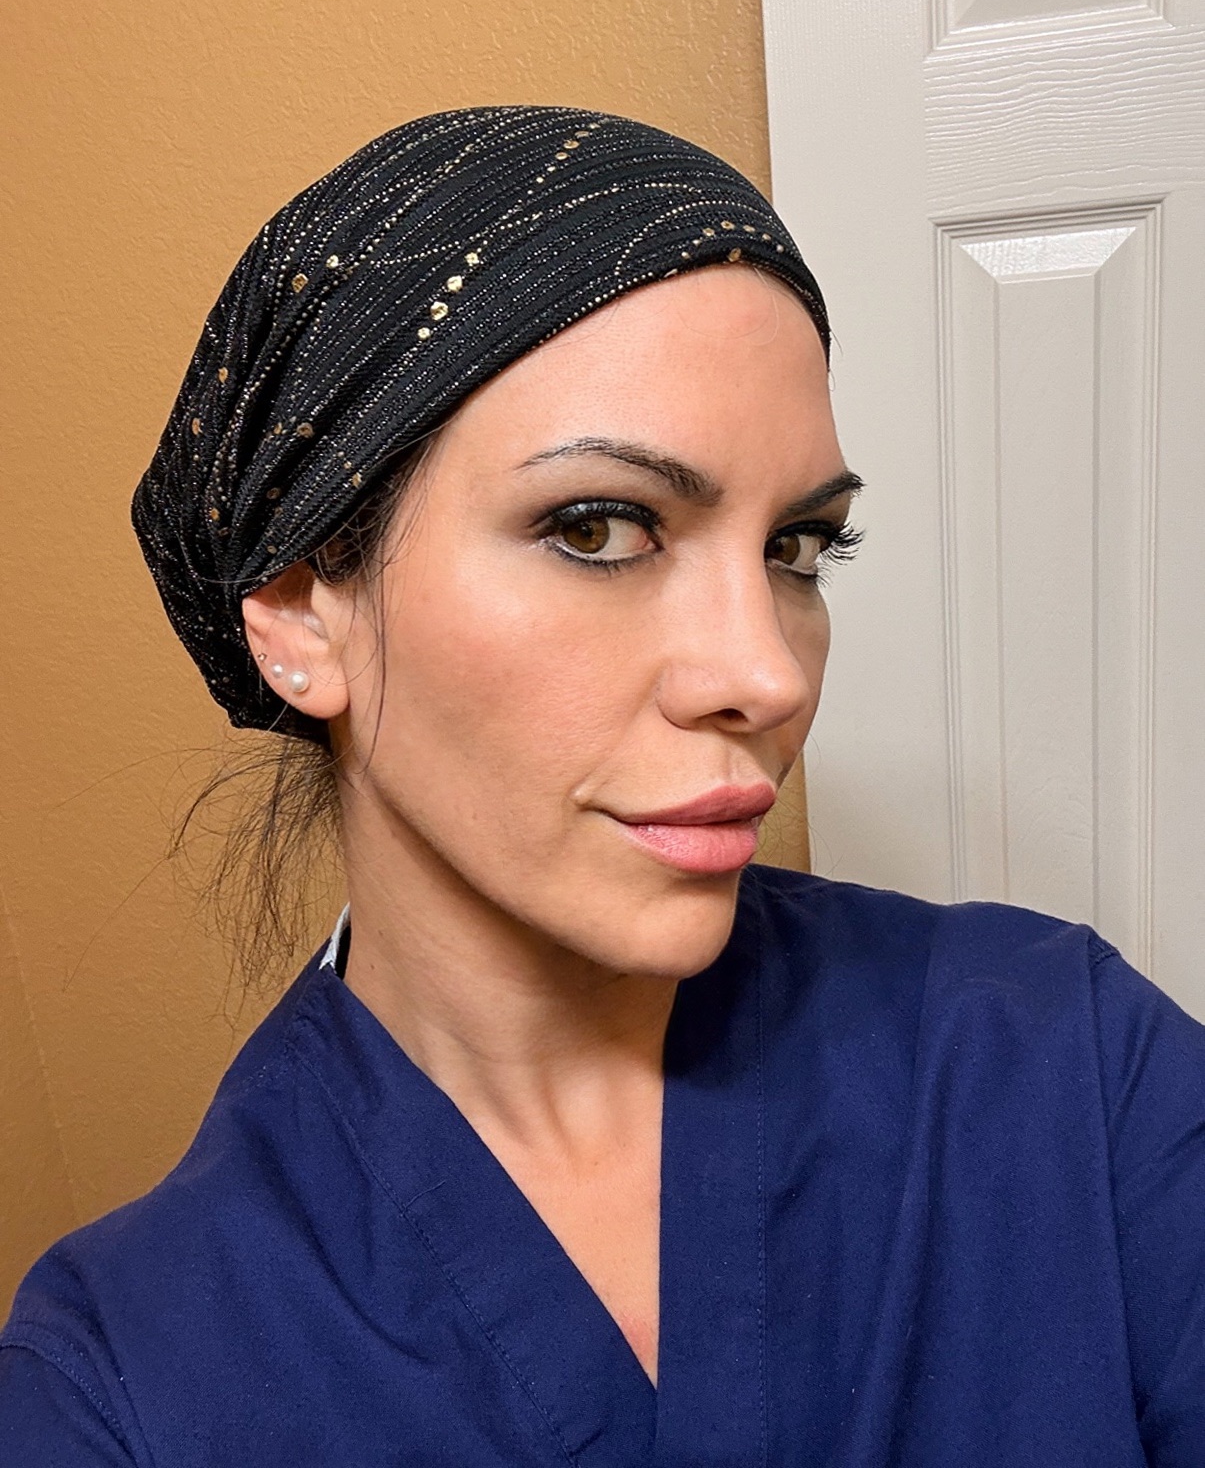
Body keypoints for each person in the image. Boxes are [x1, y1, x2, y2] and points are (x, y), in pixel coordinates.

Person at [1, 105, 1202, 1467]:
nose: (766, 674)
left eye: (799, 548)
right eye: (597, 528)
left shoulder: (1061, 1066)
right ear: (299, 610)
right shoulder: (121, 1383)